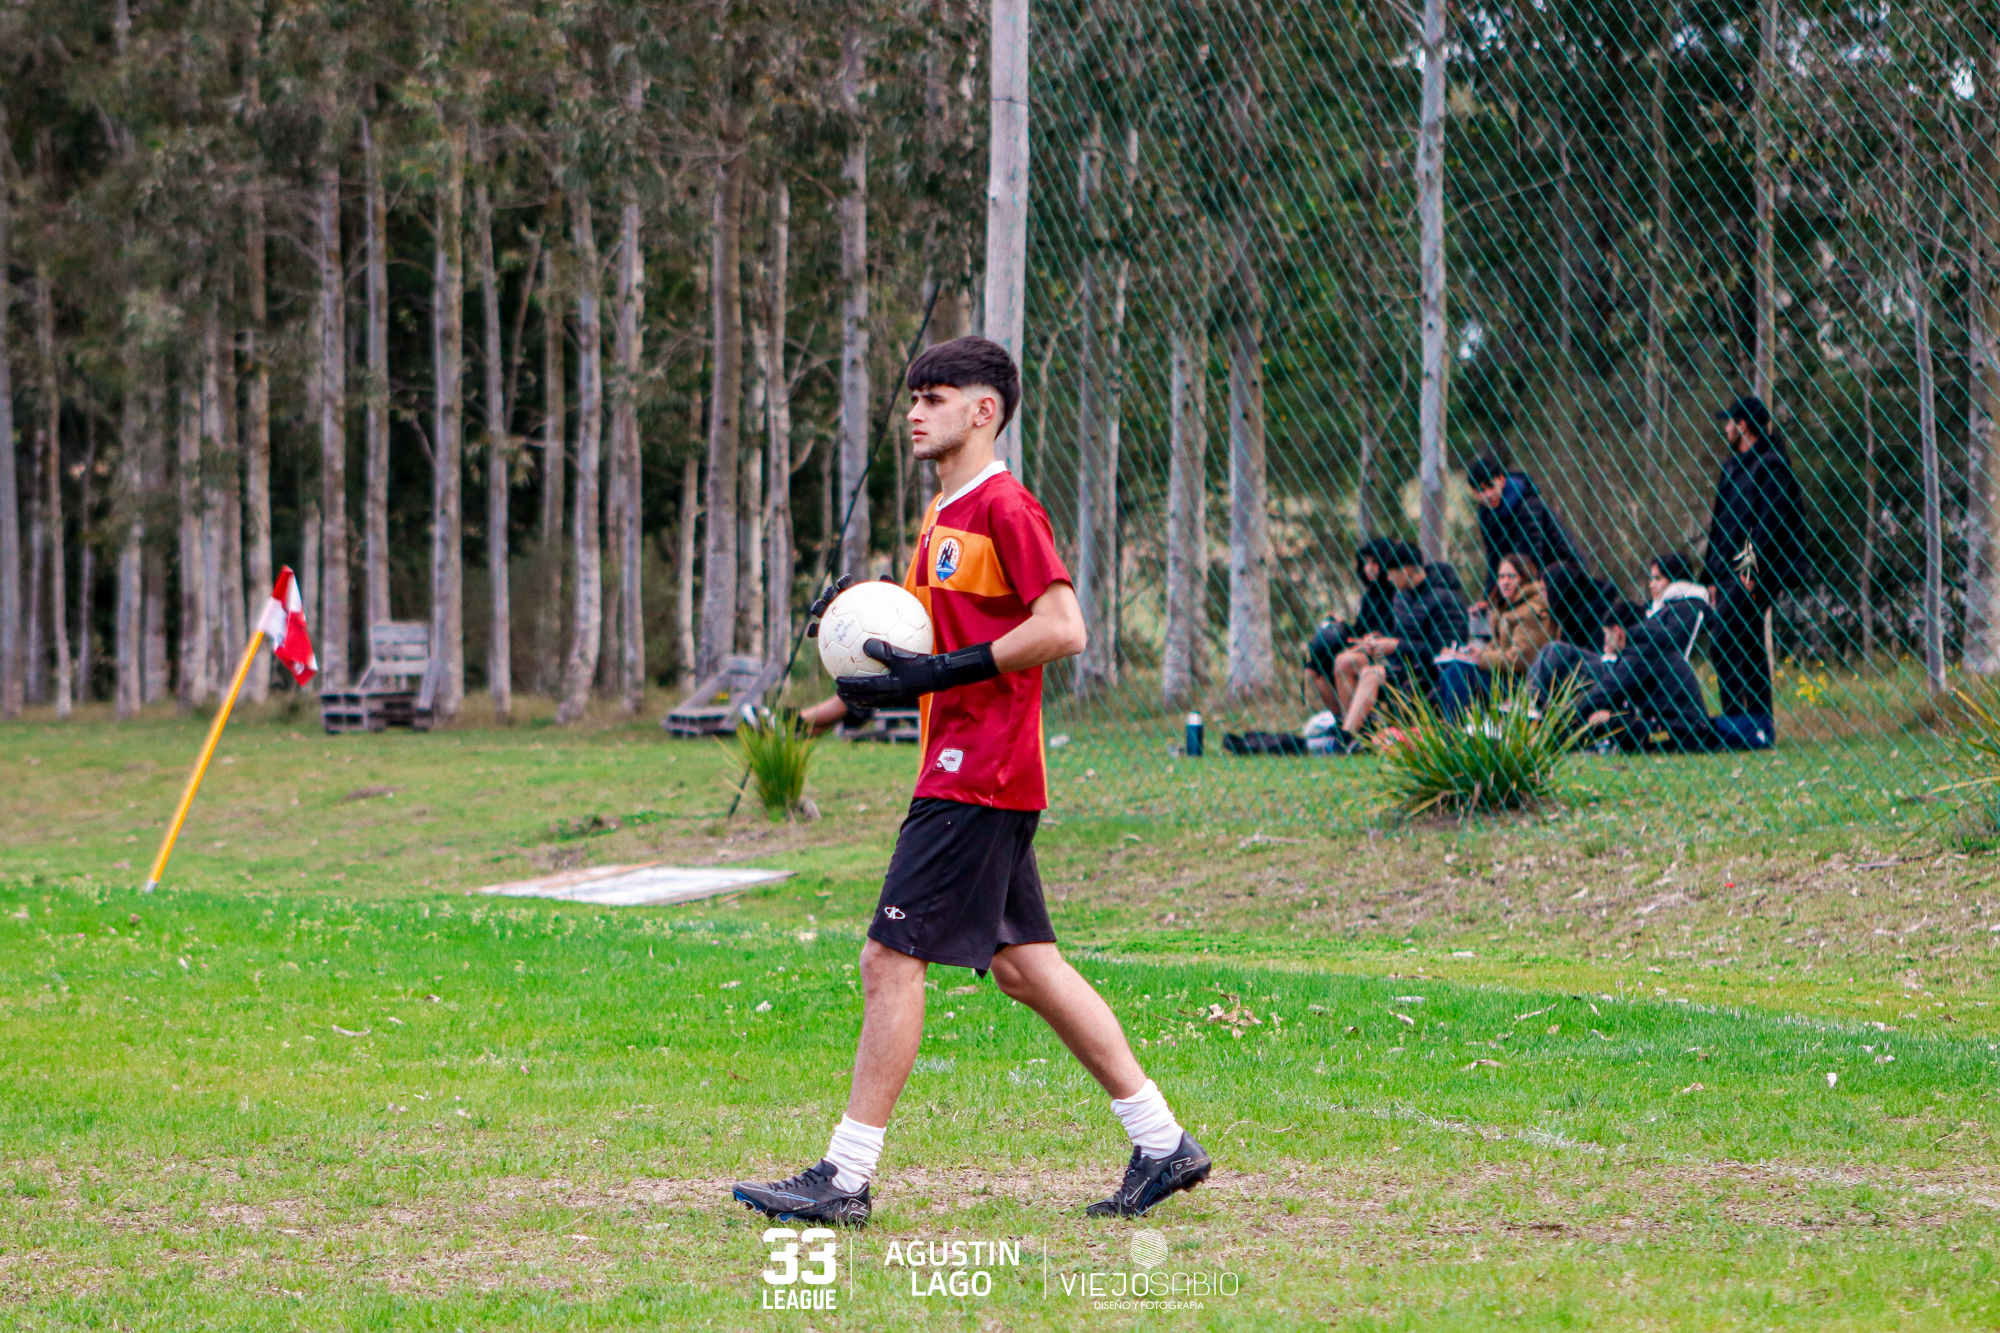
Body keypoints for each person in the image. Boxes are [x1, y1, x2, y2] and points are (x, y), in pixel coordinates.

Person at [730, 336, 1209, 1227]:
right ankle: (1162, 1141)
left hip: (978, 771)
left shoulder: (1005, 507)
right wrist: (835, 689)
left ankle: (844, 1176)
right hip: (968, 766)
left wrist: (944, 671)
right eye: (914, 396)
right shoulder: (944, 514)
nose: (916, 411)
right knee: (1026, 967)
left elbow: (1063, 627)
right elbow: (919, 653)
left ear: (984, 410)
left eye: (935, 396)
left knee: (888, 958)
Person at [1702, 395, 1805, 736]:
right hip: (1727, 572)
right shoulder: (1732, 468)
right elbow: (1720, 524)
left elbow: (1768, 525)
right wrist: (1712, 575)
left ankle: (1738, 725)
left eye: (1729, 423)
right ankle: (1759, 727)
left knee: (1723, 641)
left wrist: (1750, 570)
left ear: (1743, 425)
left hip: (1754, 574)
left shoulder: (1771, 466)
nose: (1726, 429)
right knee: (1748, 643)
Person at [1530, 598, 1720, 752]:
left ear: (1618, 632)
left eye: (1607, 634)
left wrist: (1567, 716)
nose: (1605, 640)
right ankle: (1547, 736)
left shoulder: (1641, 652)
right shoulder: (1648, 644)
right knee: (1605, 718)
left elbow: (1607, 690)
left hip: (1681, 732)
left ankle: (1547, 740)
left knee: (1605, 722)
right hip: (1675, 725)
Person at [1333, 541, 1468, 743]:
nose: (1387, 578)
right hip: (1401, 665)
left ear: (1407, 570)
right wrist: (1378, 640)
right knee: (1345, 661)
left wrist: (1396, 645)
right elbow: (1400, 634)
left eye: (1391, 573)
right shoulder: (1401, 596)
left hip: (1429, 673)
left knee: (1371, 674)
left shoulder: (1446, 599)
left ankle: (1347, 738)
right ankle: (1359, 731)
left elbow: (1445, 652)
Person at [1435, 552, 1553, 716]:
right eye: (1501, 576)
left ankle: (1457, 726)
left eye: (1511, 576)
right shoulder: (1506, 606)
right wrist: (1471, 653)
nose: (1505, 582)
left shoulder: (1530, 611)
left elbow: (1520, 659)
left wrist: (1480, 658)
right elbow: (1497, 646)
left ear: (1524, 578)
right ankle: (1461, 724)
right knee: (1452, 669)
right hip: (1502, 674)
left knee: (1458, 673)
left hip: (1520, 681)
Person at [1464, 456, 1588, 610]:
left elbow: (1530, 558)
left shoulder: (1527, 505)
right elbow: (1495, 558)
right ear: (1474, 492)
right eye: (1481, 490)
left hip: (1563, 574)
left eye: (1491, 486)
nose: (1488, 494)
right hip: (1531, 575)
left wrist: (1510, 601)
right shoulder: (1487, 513)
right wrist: (1490, 599)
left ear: (1502, 480)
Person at [1303, 537, 1400, 714]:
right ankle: (1341, 719)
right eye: (1365, 562)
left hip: (1384, 656)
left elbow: (1396, 633)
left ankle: (1352, 725)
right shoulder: (1371, 596)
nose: (1368, 568)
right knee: (1314, 669)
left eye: (1374, 562)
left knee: (1344, 662)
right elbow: (1360, 631)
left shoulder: (1398, 594)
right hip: (1363, 649)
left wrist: (1375, 638)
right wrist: (1341, 625)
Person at [1633, 552, 1708, 661]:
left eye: (1658, 578)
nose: (1651, 584)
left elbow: (1672, 641)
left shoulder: (1687, 607)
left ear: (1674, 577)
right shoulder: (1659, 605)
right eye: (1652, 579)